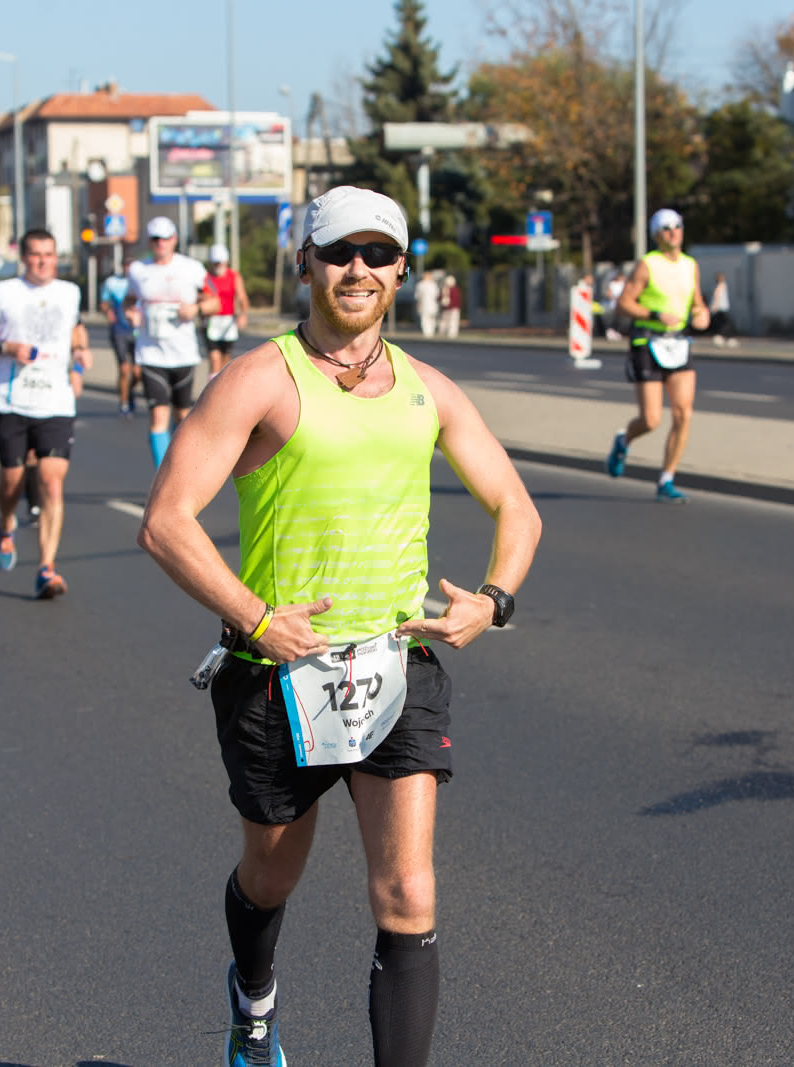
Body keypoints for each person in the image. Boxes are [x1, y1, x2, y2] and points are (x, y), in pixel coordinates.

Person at [137, 185, 542, 1067]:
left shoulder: (429, 391)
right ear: (306, 265)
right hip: (277, 672)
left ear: (402, 270)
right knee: (272, 872)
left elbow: (516, 505)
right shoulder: (258, 378)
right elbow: (166, 518)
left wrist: (492, 598)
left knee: (407, 892)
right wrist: (252, 616)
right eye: (336, 252)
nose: (355, 269)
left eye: (375, 253)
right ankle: (252, 1001)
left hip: (398, 662)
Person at [0, 228, 91, 600]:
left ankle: (46, 568)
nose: (42, 262)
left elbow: (76, 328)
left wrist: (80, 359)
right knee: (11, 482)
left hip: (55, 401)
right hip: (11, 399)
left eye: (49, 255)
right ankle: (6, 525)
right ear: (24, 258)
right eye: (35, 255)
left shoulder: (69, 292)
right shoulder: (3, 293)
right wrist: (4, 346)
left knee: (52, 481)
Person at [606, 207, 710, 503]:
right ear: (656, 235)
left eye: (677, 226)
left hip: (679, 343)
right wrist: (653, 313)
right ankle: (623, 440)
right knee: (651, 419)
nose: (673, 232)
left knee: (683, 413)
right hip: (648, 342)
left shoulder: (691, 265)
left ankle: (667, 478)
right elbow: (624, 304)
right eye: (665, 228)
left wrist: (702, 316)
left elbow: (697, 304)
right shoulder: (647, 265)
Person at [124, 217, 220, 468]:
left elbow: (215, 302)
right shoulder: (138, 270)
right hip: (150, 354)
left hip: (183, 355)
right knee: (158, 416)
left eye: (166, 238)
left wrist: (197, 309)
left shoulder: (192, 269)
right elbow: (128, 300)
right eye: (156, 239)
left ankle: (182, 470)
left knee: (183, 417)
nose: (161, 244)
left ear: (175, 239)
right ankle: (162, 476)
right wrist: (130, 312)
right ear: (149, 241)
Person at [203, 243, 251, 376]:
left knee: (225, 361)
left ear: (226, 262)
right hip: (211, 322)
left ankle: (220, 387)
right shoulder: (206, 278)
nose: (218, 266)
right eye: (215, 263)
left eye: (220, 263)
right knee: (214, 359)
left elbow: (242, 297)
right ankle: (212, 393)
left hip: (228, 322)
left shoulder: (234, 276)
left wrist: (243, 314)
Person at [99, 258, 138, 416]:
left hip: (137, 331)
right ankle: (124, 404)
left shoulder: (141, 283)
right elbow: (104, 302)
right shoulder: (112, 282)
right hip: (119, 330)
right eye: (126, 265)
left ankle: (128, 391)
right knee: (124, 369)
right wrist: (107, 312)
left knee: (137, 373)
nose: (128, 269)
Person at [708, 271, 736, 347]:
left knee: (722, 323)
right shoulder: (721, 285)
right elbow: (717, 295)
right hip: (721, 308)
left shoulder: (720, 285)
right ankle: (722, 336)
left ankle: (722, 336)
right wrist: (715, 305)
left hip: (721, 308)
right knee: (726, 323)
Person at [413, 270, 439, 336]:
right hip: (431, 305)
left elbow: (417, 296)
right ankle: (430, 331)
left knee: (425, 319)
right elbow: (437, 295)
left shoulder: (420, 285)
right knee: (430, 318)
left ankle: (427, 332)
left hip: (425, 305)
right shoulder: (433, 284)